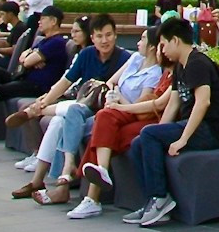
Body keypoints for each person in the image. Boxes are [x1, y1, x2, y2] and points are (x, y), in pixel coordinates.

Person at [123, 15, 219, 227]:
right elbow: (172, 105)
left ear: (175, 40)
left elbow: (203, 102)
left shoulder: (197, 63)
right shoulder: (180, 67)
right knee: (139, 142)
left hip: (208, 131)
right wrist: (156, 133)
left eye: (164, 44)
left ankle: (160, 199)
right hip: (190, 128)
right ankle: (152, 200)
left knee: (148, 135)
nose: (163, 50)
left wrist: (182, 139)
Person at [9, 13, 128, 204]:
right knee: (59, 121)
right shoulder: (87, 54)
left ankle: (35, 113)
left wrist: (42, 105)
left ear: (115, 36)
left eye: (108, 35)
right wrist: (46, 100)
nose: (104, 41)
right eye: (99, 36)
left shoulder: (124, 59)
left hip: (102, 111)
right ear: (92, 38)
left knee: (71, 112)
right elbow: (66, 81)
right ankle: (39, 181)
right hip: (82, 107)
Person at [68, 26, 178, 219]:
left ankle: (92, 197)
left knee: (105, 134)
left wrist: (121, 105)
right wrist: (116, 100)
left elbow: (158, 105)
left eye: (163, 45)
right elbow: (113, 83)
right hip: (135, 112)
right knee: (104, 119)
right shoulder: (159, 70)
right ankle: (99, 177)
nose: (162, 50)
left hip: (148, 118)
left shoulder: (171, 73)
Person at [0, 4, 70, 152]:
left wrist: (30, 58)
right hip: (23, 77)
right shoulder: (44, 41)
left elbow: (27, 61)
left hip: (36, 85)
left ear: (53, 21)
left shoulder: (57, 42)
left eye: (43, 19)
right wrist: (31, 57)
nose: (39, 22)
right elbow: (22, 57)